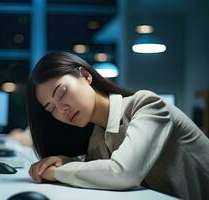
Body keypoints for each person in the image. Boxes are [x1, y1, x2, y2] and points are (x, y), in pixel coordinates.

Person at [27, 51, 209, 200]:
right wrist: (67, 161)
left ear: (85, 76)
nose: (62, 109)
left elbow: (123, 173)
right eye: (51, 108)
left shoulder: (146, 105)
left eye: (61, 92)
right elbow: (100, 172)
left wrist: (58, 172)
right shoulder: (97, 138)